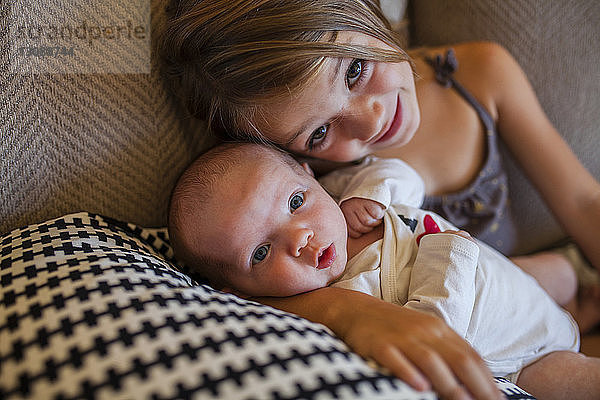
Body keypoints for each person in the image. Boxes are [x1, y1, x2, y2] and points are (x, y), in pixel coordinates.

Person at [162, 0, 600, 397]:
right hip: (501, 346)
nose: (369, 122)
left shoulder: (480, 75)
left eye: (354, 70)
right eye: (318, 133)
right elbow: (254, 273)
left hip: (519, 281)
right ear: (293, 158)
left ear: (365, 11)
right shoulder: (308, 192)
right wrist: (346, 311)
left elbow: (583, 203)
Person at [168, 142, 600, 400]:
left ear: (309, 175)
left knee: (564, 273)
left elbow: (401, 173)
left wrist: (371, 194)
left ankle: (580, 289)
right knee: (577, 381)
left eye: (295, 202)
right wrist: (442, 262)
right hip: (525, 355)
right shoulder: (340, 305)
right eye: (261, 253)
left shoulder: (342, 198)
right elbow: (432, 334)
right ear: (238, 292)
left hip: (511, 277)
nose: (299, 236)